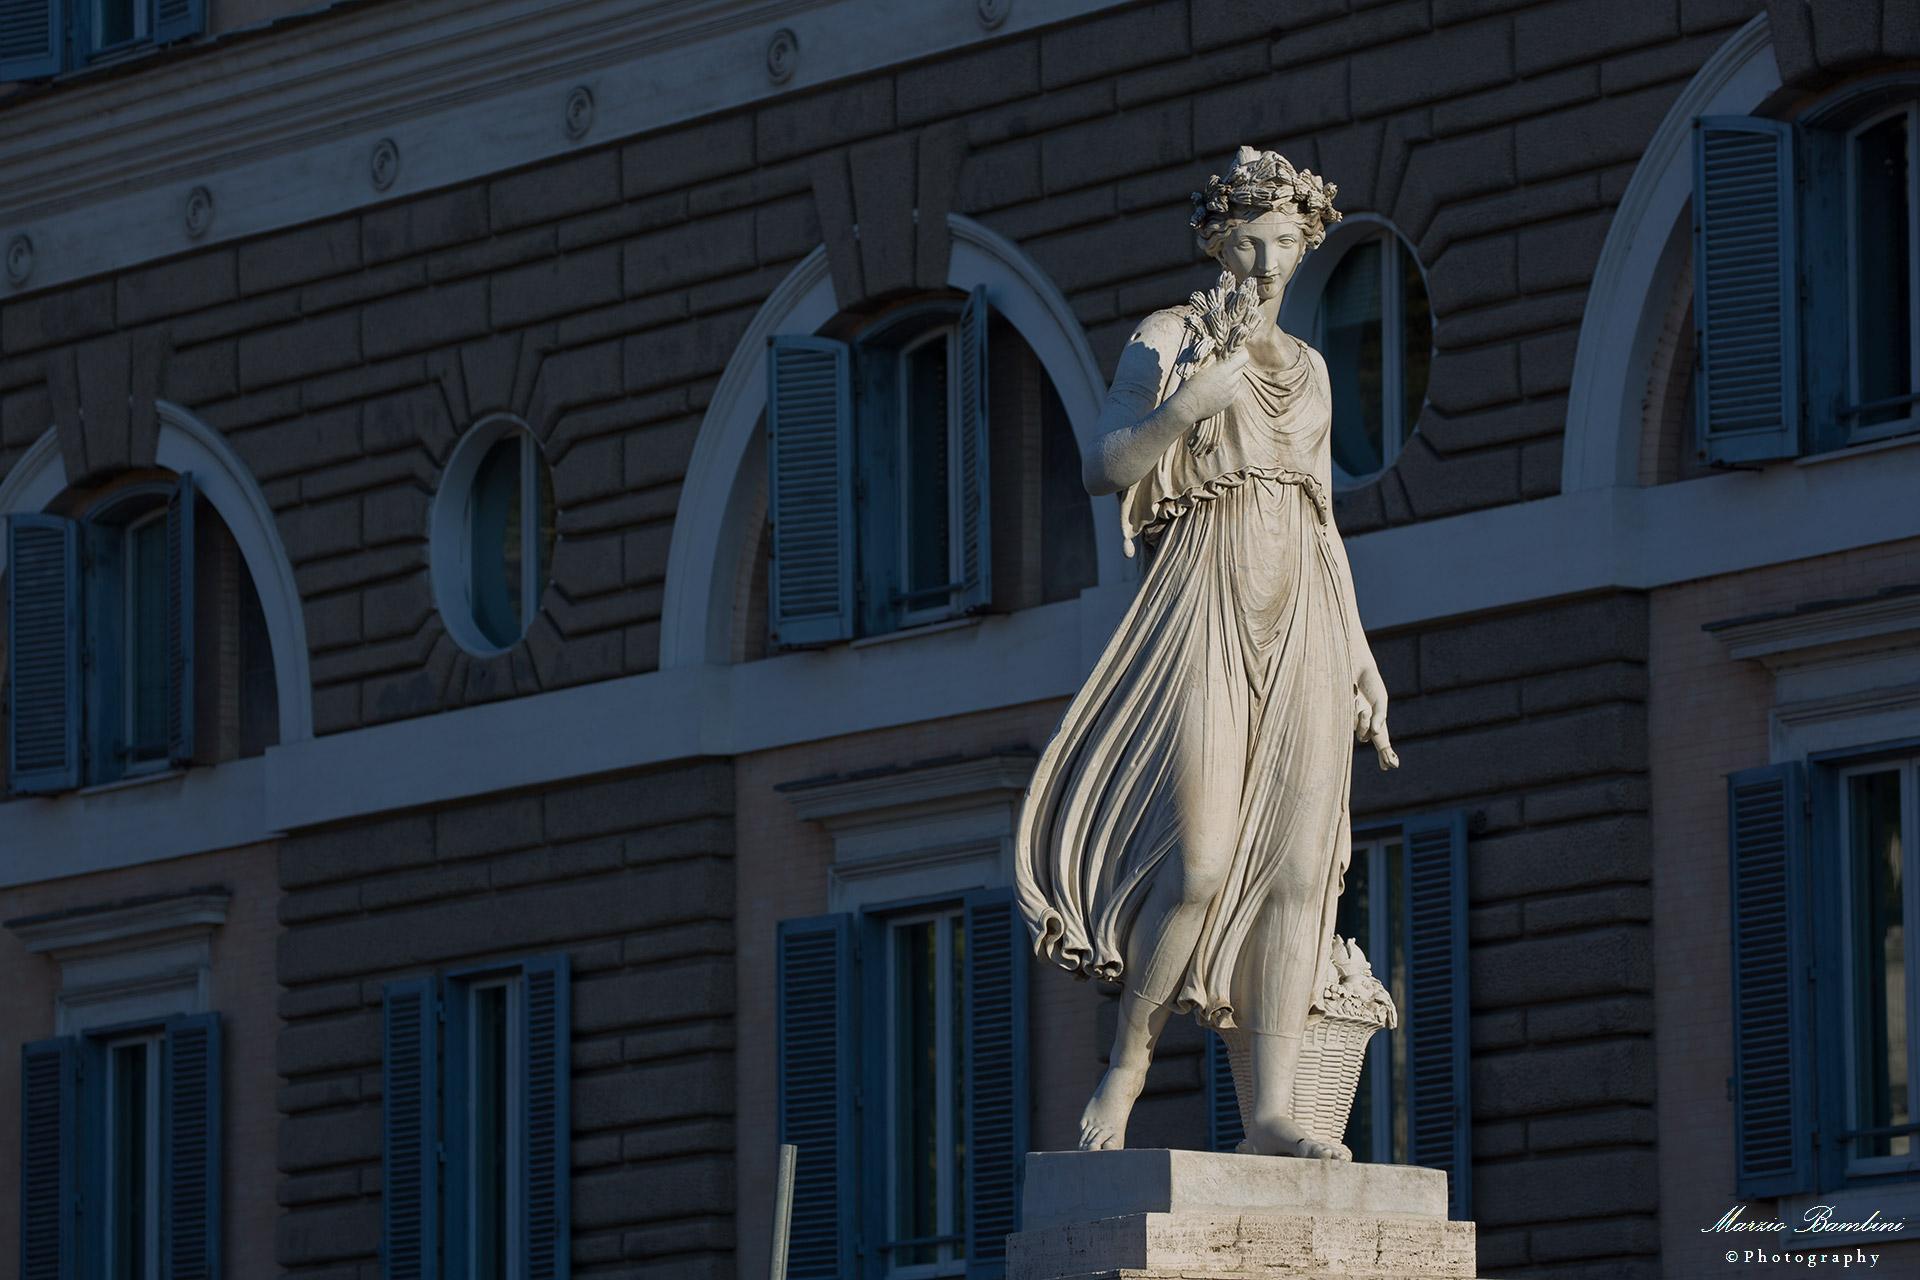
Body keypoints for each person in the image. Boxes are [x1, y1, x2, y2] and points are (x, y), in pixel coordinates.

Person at [1013, 146, 1398, 1159]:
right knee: (1203, 863)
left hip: (1305, 610)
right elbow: (1105, 463)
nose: (1272, 262)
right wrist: (1187, 404)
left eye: (1289, 243)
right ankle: (1128, 1060)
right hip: (1208, 600)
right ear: (1220, 240)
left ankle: (1273, 1110)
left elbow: (1323, 521)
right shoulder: (1168, 339)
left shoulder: (1311, 371)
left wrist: (1360, 656)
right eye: (1255, 240)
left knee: (1301, 873)